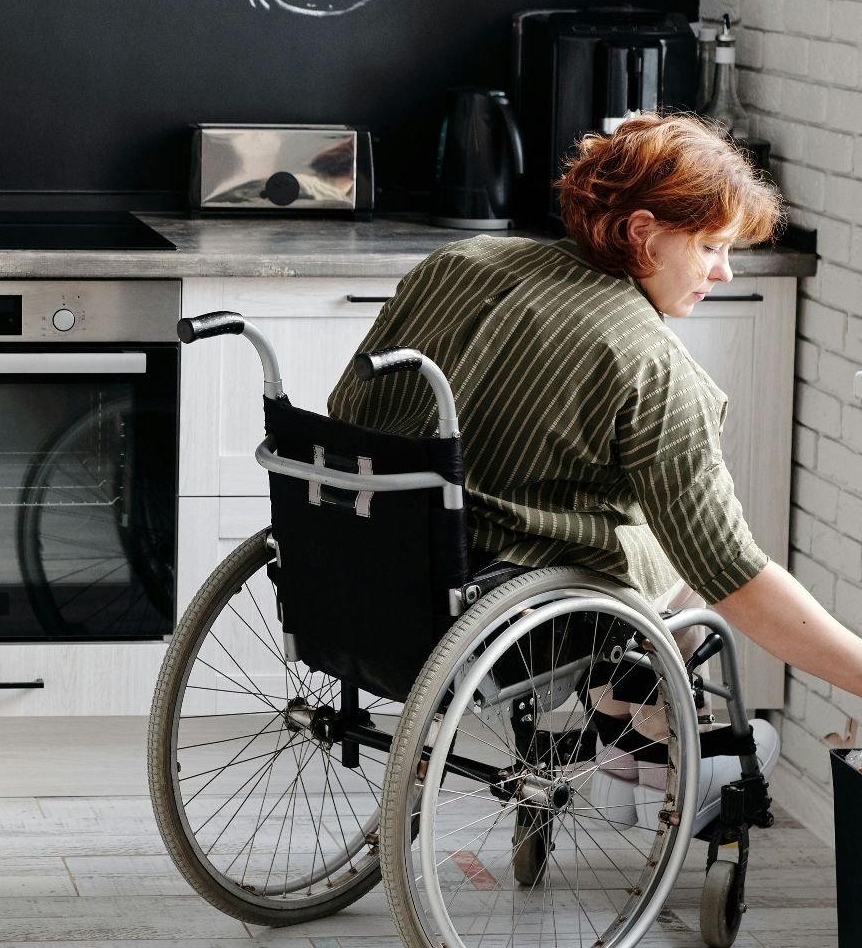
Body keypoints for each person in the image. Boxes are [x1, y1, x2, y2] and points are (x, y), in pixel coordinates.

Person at [327, 112, 862, 827]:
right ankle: (658, 747)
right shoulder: (655, 369)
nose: (725, 272)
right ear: (643, 232)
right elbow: (734, 575)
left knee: (626, 529)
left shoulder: (459, 264)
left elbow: (348, 407)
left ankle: (625, 737)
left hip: (356, 567)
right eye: (710, 247)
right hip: (495, 613)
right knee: (675, 561)